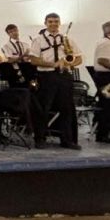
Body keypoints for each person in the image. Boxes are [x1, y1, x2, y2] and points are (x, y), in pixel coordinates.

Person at [27, 12, 82, 149]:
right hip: (46, 77)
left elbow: (79, 58)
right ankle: (40, 138)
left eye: (56, 21)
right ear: (45, 23)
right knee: (43, 109)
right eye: (50, 21)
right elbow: (33, 60)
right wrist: (53, 64)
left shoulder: (67, 39)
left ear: (59, 23)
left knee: (67, 109)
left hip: (64, 76)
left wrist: (69, 64)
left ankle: (67, 140)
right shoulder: (38, 40)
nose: (53, 24)